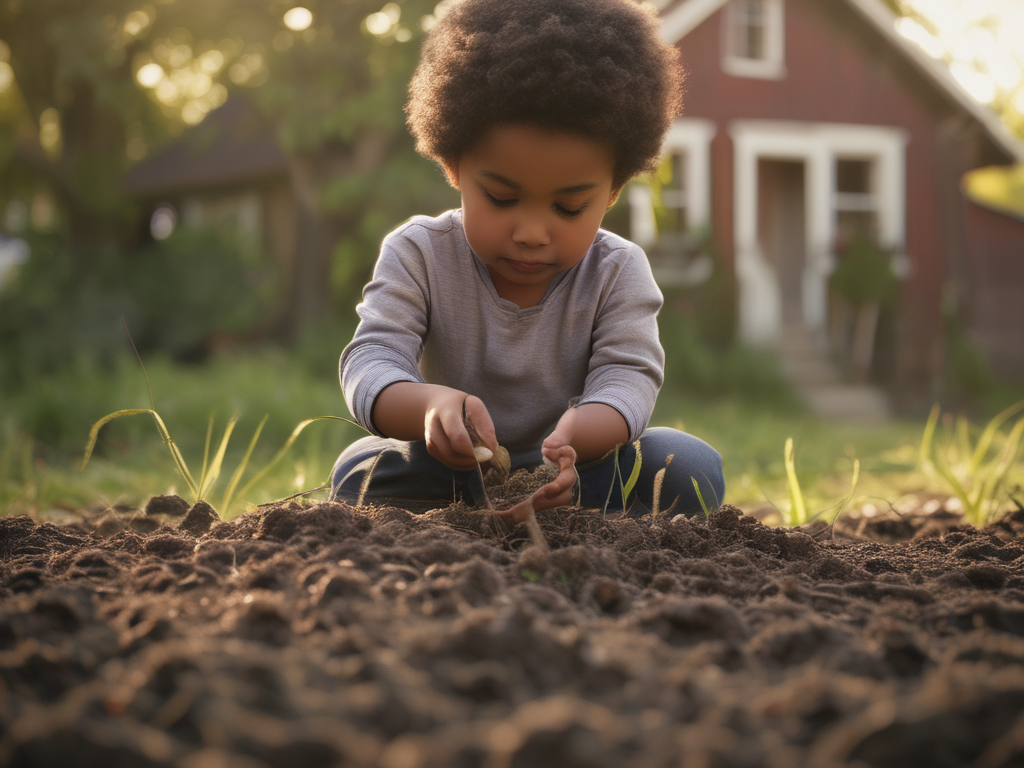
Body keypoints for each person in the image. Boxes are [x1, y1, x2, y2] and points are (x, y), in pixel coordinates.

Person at [330, 0, 725, 521]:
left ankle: (568, 511)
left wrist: (577, 439)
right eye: (500, 197)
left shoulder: (617, 269)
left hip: (580, 471)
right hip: (453, 472)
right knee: (360, 468)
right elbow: (372, 359)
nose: (532, 233)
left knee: (687, 463)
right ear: (453, 166)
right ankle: (473, 515)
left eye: (568, 207)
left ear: (612, 192)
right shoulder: (419, 253)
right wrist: (429, 407)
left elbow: (629, 378)